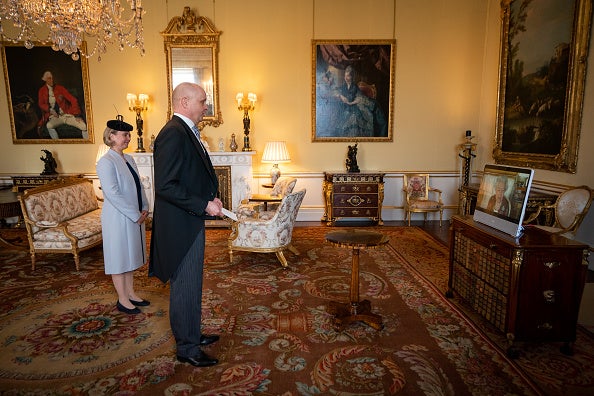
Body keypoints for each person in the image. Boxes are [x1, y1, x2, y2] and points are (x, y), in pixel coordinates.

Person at [149, 82, 223, 367]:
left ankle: (191, 333)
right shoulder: (172, 134)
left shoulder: (184, 131)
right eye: (203, 101)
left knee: (192, 285)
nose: (206, 106)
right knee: (185, 285)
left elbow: (188, 175)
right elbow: (166, 186)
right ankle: (187, 349)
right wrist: (204, 204)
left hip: (188, 221)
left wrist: (208, 197)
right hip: (180, 226)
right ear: (184, 102)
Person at [96, 116, 150, 315]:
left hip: (134, 215)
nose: (128, 138)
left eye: (129, 135)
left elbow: (138, 185)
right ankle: (122, 299)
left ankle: (131, 293)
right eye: (125, 135)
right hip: (117, 218)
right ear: (111, 136)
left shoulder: (129, 158)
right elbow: (112, 193)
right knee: (119, 257)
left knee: (130, 255)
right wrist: (135, 214)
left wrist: (144, 207)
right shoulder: (105, 162)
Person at [37, 71, 88, 140]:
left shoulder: (60, 88)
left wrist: (77, 115)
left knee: (83, 126)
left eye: (52, 78)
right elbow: (41, 104)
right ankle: (58, 144)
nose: (52, 80)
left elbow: (73, 100)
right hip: (55, 117)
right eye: (49, 78)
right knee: (49, 125)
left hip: (67, 115)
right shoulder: (42, 90)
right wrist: (50, 110)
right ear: (45, 79)